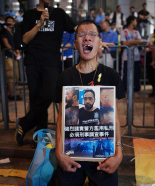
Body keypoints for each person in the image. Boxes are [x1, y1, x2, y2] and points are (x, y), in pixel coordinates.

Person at [52, 19, 125, 186]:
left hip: (103, 155)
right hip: (72, 153)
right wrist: (59, 153)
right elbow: (60, 118)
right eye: (81, 35)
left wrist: (119, 153)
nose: (87, 38)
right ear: (75, 44)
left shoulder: (111, 75)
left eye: (92, 35)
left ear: (100, 43)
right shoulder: (65, 77)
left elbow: (115, 119)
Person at [15, 0, 77, 146]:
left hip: (51, 61)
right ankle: (40, 135)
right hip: (32, 61)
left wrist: (93, 34)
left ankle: (24, 122)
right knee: (36, 98)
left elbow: (74, 27)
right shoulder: (30, 14)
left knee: (49, 94)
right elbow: (25, 39)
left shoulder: (59, 13)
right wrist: (39, 24)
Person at [0, 16, 22, 101]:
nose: (12, 23)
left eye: (12, 21)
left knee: (15, 76)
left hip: (14, 57)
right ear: (6, 22)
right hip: (7, 56)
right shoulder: (4, 32)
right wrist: (15, 53)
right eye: (9, 21)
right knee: (10, 76)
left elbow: (15, 44)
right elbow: (6, 44)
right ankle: (11, 94)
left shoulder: (13, 33)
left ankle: (11, 93)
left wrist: (17, 52)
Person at [120, 15, 142, 98]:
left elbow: (139, 41)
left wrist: (129, 42)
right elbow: (123, 43)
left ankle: (136, 91)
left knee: (136, 74)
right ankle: (124, 91)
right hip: (126, 56)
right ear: (132, 21)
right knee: (125, 74)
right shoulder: (124, 31)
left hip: (136, 56)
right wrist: (134, 42)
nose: (136, 22)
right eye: (135, 20)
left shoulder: (136, 32)